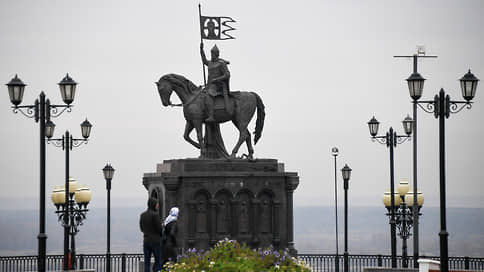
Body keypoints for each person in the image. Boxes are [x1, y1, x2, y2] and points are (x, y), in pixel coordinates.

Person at [200, 42, 231, 122]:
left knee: (208, 95)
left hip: (218, 85)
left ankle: (211, 116)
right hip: (209, 85)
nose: (211, 56)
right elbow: (204, 60)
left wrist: (217, 79)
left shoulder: (221, 64)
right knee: (200, 94)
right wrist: (201, 50)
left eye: (213, 54)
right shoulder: (210, 63)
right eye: (211, 54)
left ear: (216, 54)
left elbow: (227, 75)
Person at [139, 197, 163, 272]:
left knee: (147, 262)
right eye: (157, 204)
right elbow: (159, 229)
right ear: (154, 204)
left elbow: (141, 228)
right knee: (158, 261)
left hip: (146, 241)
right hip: (155, 241)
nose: (157, 206)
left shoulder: (143, 215)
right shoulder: (155, 215)